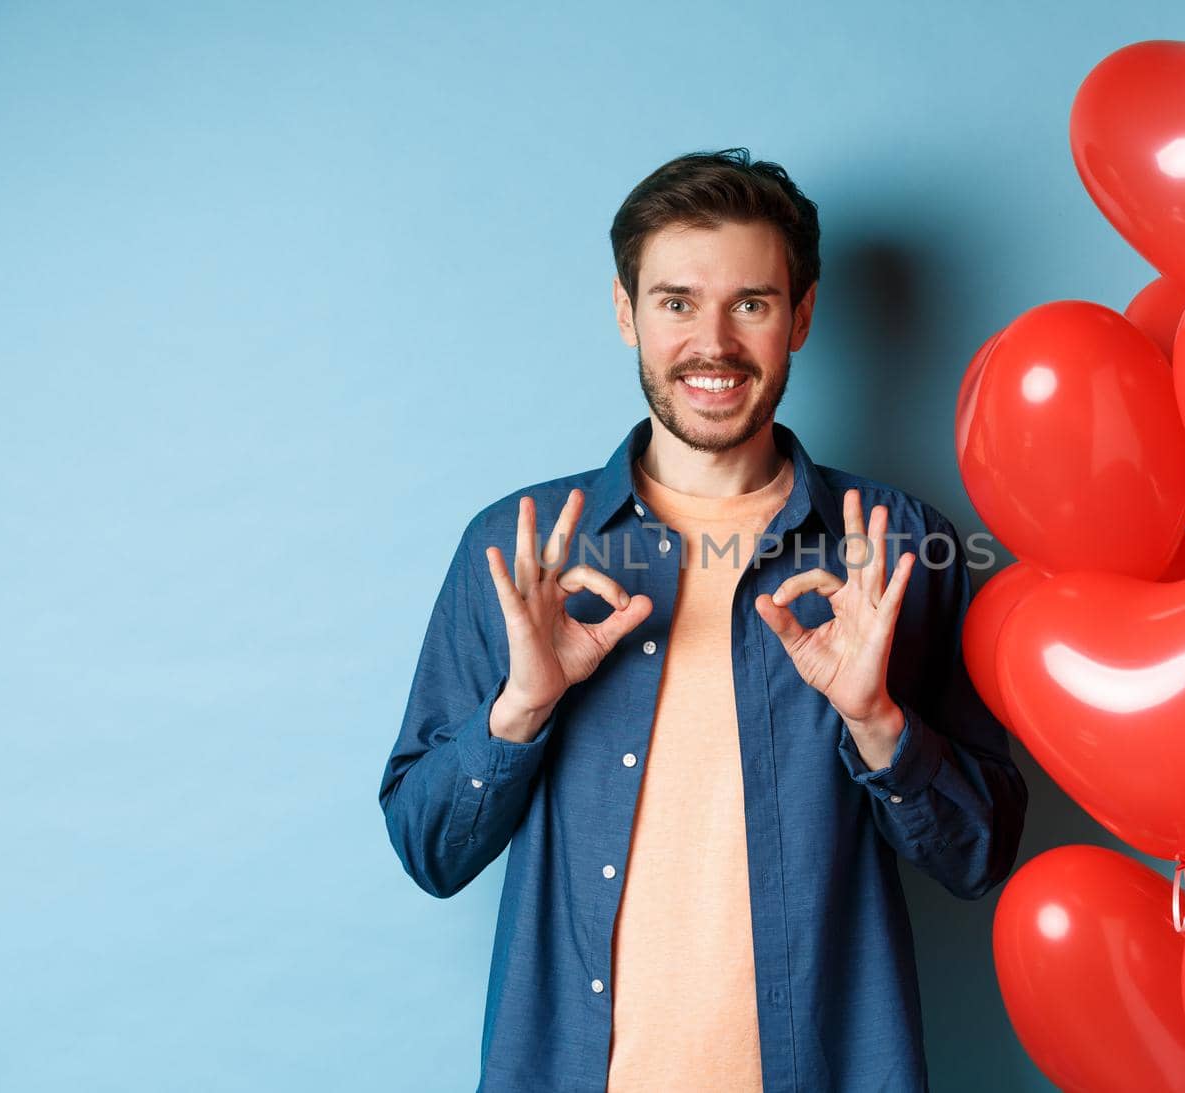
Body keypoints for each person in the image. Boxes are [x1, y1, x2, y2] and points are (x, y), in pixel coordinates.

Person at [378, 148, 1028, 1093]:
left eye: (751, 303)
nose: (712, 343)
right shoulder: (518, 551)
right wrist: (519, 708)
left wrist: (878, 724)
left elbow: (978, 857)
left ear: (801, 315)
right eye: (677, 302)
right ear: (625, 311)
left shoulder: (894, 549)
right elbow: (428, 849)